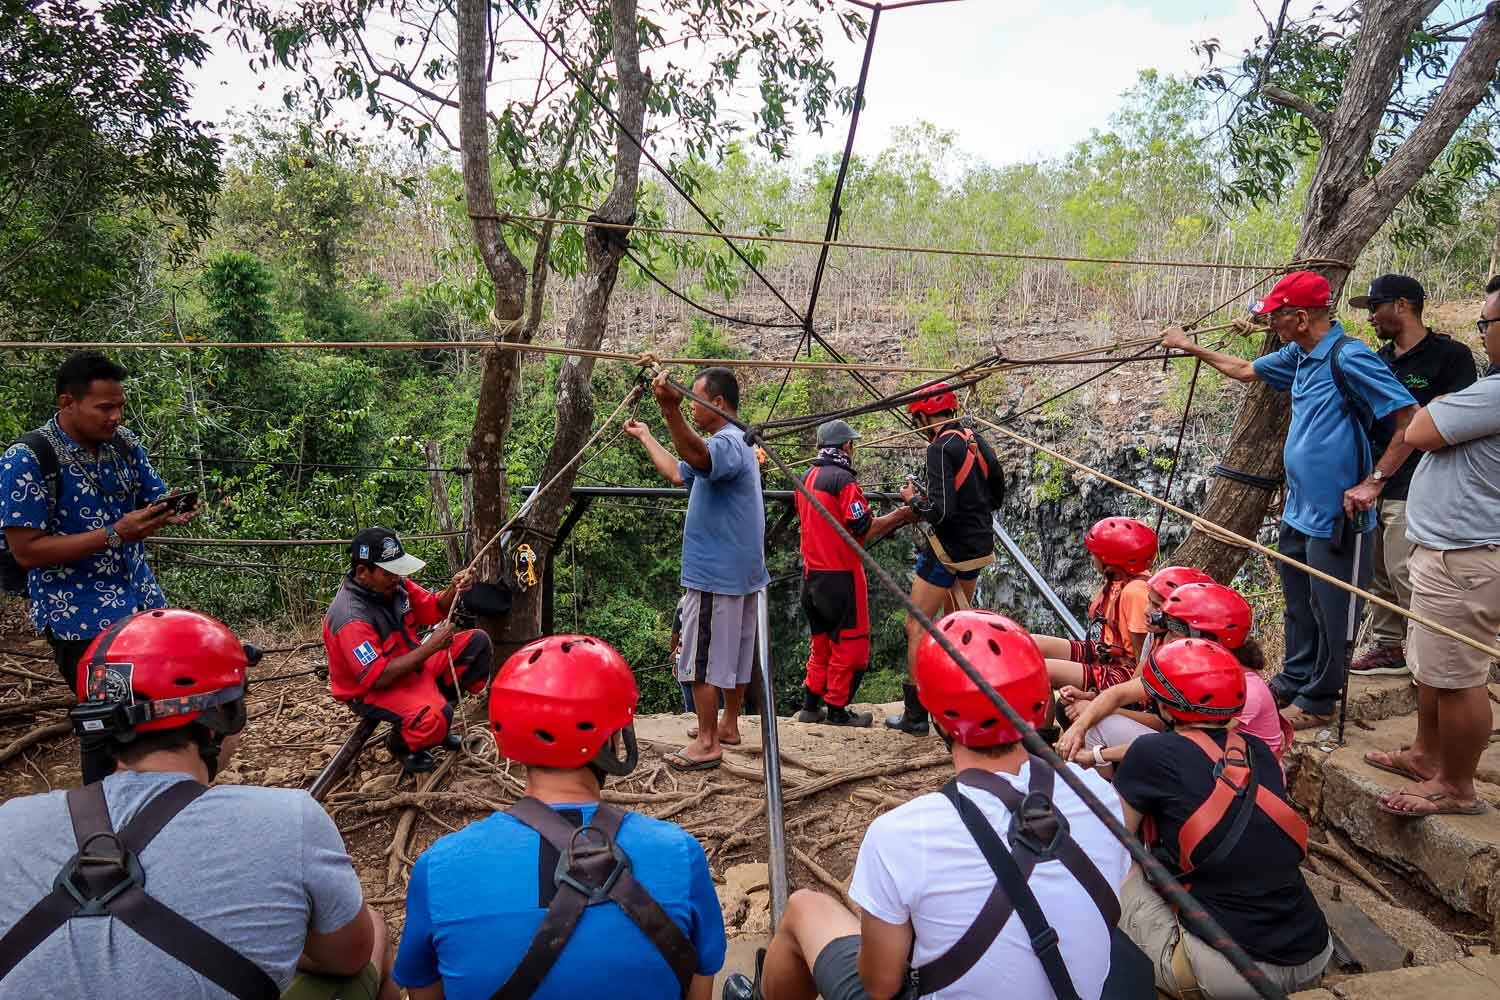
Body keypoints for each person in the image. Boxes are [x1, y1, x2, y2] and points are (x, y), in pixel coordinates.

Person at [0, 608, 397, 1000]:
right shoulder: (291, 818)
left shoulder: (10, 822)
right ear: (222, 718)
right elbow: (348, 957)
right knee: (372, 932)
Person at [755, 609, 1131, 1000]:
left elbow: (880, 985)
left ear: (935, 715)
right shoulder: (1099, 796)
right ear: (1039, 704)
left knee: (804, 907)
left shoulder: (900, 835)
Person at [394, 633, 726, 999]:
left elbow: (423, 990)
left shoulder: (438, 868)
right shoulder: (680, 854)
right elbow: (699, 986)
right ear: (613, 739)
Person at [1162, 270, 1419, 730]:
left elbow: (1409, 419)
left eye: (1277, 317)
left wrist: (1375, 482)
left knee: (1331, 608)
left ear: (1302, 318)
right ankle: (1295, 677)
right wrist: (1189, 347)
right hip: (1299, 511)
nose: (1271, 325)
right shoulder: (1299, 357)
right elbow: (1244, 371)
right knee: (1299, 603)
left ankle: (1320, 699)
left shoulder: (1349, 358)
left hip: (1338, 515)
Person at [0, 351, 199, 783]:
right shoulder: (28, 459)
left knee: (153, 718)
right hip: (82, 619)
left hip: (142, 607)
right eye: (105, 407)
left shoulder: (123, 446)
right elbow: (27, 551)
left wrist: (166, 510)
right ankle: (100, 823)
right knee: (108, 724)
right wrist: (115, 534)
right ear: (67, 402)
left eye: (120, 406)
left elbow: (150, 495)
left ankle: (153, 810)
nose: (115, 416)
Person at [1113, 639, 1330, 998]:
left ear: (1164, 704)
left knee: (1115, 864)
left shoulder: (1149, 753)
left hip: (1234, 976)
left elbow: (1118, 838)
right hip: (1313, 952)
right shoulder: (1259, 752)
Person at [1366, 276, 1500, 819]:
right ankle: (1426, 755)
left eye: (1486, 324)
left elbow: (1419, 430)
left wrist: (1439, 406)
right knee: (1432, 666)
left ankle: (1457, 786)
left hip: (1465, 555)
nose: (1483, 334)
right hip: (1449, 550)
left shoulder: (1493, 392)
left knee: (1460, 675)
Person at [625, 368, 769, 770]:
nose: (691, 406)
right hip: (741, 572)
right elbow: (678, 471)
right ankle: (728, 724)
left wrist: (670, 410)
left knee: (701, 658)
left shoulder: (724, 443)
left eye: (695, 400)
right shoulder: (737, 442)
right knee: (738, 654)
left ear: (717, 403)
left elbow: (697, 455)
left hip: (715, 573)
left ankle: (707, 742)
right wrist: (647, 435)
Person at [1346, 274, 1478, 677]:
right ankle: (1389, 645)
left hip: (1421, 481)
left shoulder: (1450, 356)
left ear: (1402, 305)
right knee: (1379, 569)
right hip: (1372, 478)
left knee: (1408, 569)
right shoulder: (1378, 359)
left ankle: (1431, 651)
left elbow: (1458, 419)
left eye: (1375, 307)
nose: (1370, 317)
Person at [1057, 582, 1288, 772]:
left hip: (1241, 776)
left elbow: (1184, 744)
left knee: (1100, 730)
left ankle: (1115, 808)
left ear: (1208, 637)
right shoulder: (1197, 667)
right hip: (1208, 757)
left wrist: (1095, 755)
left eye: (1177, 629)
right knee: (1092, 724)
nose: (1169, 638)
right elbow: (1120, 692)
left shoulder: (1246, 690)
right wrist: (1081, 724)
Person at [323, 526, 493, 775]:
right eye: (389, 572)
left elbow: (434, 607)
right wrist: (432, 646)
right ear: (363, 572)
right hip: (373, 689)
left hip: (411, 667)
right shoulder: (351, 618)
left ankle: (435, 719)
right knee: (435, 717)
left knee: (476, 644)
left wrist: (454, 588)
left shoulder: (395, 586)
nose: (397, 577)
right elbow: (377, 677)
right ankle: (402, 744)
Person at [884, 383, 1005, 736]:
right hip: (977, 546)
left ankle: (916, 714)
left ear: (923, 415)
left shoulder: (939, 447)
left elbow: (941, 512)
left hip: (946, 552)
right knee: (959, 625)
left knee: (917, 625)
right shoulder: (973, 439)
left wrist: (913, 500)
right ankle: (963, 702)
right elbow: (996, 492)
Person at [794, 419, 909, 728]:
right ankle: (836, 710)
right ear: (846, 446)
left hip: (811, 575)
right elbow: (864, 527)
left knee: (821, 643)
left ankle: (810, 706)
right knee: (853, 645)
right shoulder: (843, 480)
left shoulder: (806, 476)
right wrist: (902, 514)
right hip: (841, 575)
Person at [1032, 517, 1158, 703]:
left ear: (1111, 561)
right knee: (1030, 643)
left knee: (1040, 670)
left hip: (1123, 670)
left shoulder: (1135, 592)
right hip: (1105, 652)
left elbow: (1142, 657)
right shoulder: (1119, 578)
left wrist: (1128, 698)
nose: (1092, 558)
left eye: (1095, 554)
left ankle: (1043, 731)